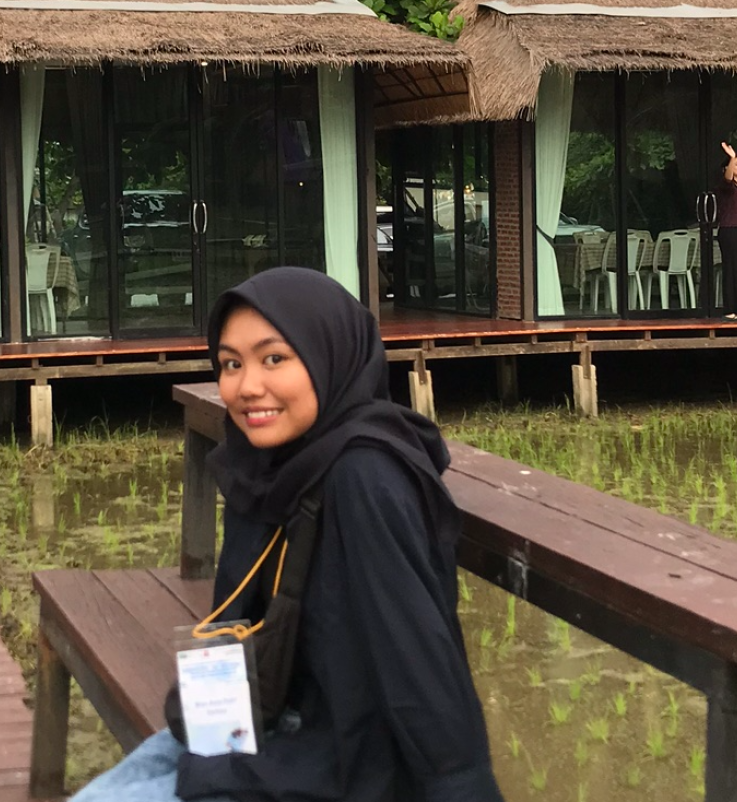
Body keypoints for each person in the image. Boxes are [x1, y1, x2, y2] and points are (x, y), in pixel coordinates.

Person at [70, 267, 504, 802]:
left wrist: (462, 787)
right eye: (231, 364)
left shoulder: (364, 475)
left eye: (274, 358)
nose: (247, 386)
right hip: (261, 717)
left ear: (329, 355)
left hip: (336, 762)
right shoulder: (269, 461)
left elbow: (418, 659)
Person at [718, 141, 737, 319]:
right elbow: (728, 178)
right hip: (730, 230)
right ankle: (730, 310)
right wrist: (731, 157)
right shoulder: (726, 187)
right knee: (732, 268)